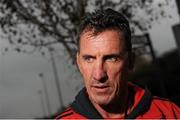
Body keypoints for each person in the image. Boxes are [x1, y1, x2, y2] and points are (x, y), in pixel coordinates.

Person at [56, 8, 180, 119]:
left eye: (111, 58)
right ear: (79, 63)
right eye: (89, 59)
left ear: (131, 61)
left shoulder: (169, 114)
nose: (99, 75)